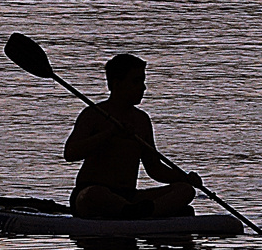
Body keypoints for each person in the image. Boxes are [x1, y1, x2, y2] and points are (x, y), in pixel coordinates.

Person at [64, 52, 201, 219]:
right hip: (94, 192)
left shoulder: (142, 120)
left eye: (143, 81)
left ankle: (143, 212)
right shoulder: (93, 114)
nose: (143, 88)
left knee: (185, 190)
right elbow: (70, 153)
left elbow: (154, 168)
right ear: (116, 84)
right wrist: (110, 134)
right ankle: (146, 213)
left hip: (129, 196)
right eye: (136, 81)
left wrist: (184, 178)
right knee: (93, 195)